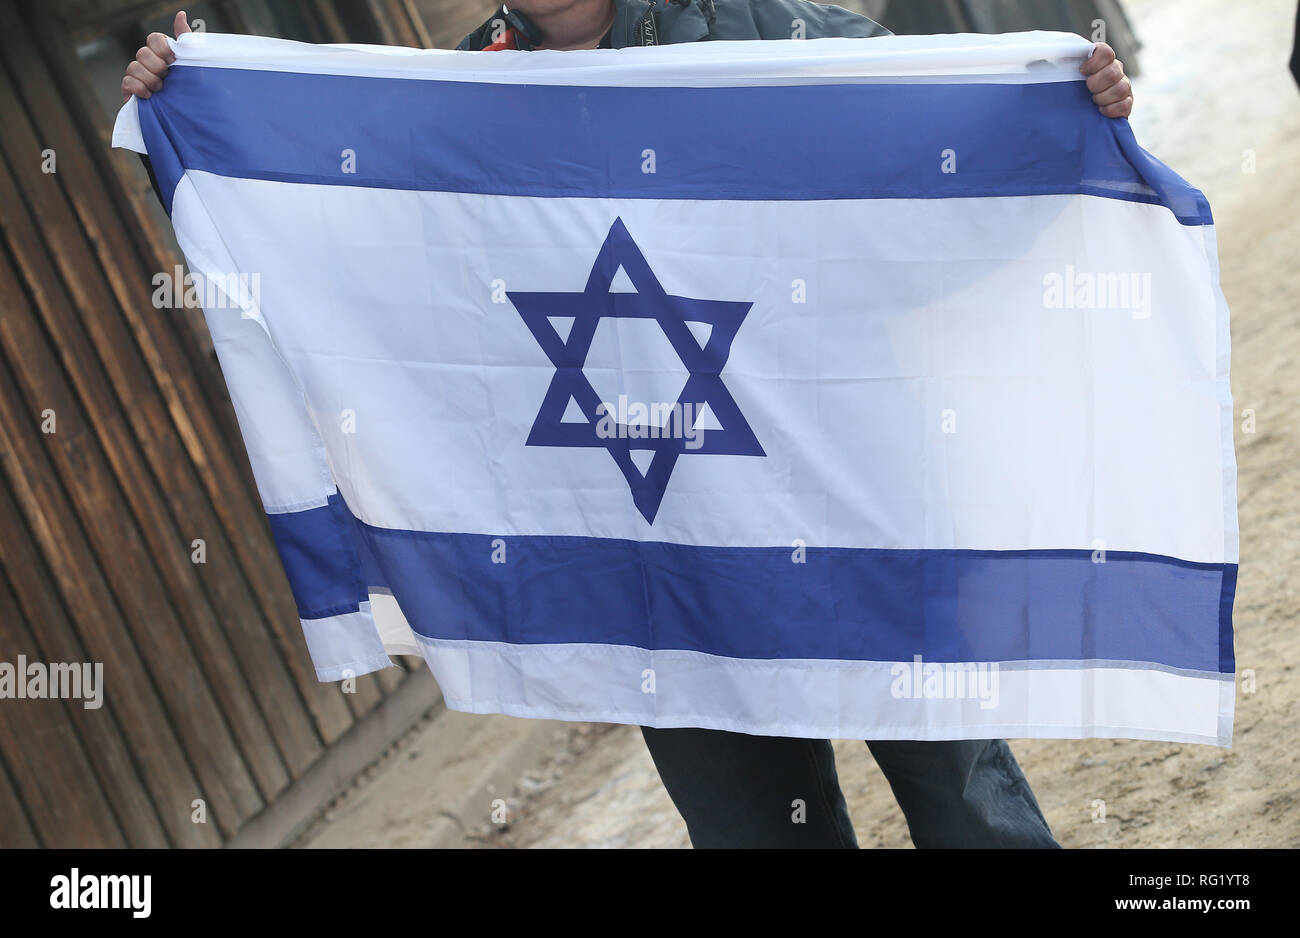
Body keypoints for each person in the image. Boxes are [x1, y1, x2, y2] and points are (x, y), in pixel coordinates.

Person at [121, 1, 1135, 849]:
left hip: (844, 496)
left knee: (964, 796)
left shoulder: (757, 26)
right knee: (754, 830)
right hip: (657, 550)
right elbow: (366, 254)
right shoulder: (464, 90)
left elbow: (937, 125)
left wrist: (1058, 106)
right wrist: (203, 114)